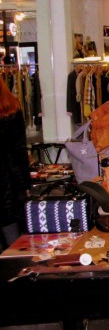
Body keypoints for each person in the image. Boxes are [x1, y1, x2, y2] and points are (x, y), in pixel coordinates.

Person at [0, 78, 31, 249]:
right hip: (9, 177)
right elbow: (19, 148)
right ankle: (15, 260)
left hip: (9, 176)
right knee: (11, 228)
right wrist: (26, 183)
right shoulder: (11, 107)